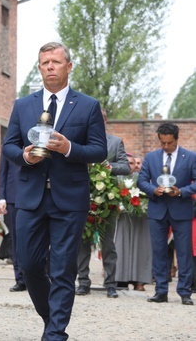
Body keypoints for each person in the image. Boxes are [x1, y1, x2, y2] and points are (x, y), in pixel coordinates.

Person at [2, 42, 107, 341]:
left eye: (55, 62)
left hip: (69, 200)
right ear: (39, 67)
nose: (49, 67)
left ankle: (55, 334)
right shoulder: (24, 104)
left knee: (62, 268)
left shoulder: (87, 105)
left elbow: (99, 150)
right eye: (44, 62)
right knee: (30, 264)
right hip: (30, 196)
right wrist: (24, 156)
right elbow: (8, 145)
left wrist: (69, 148)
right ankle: (51, 319)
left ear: (68, 66)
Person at [136, 122, 196, 305]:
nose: (166, 147)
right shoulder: (151, 157)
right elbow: (141, 180)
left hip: (182, 209)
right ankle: (161, 291)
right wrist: (154, 190)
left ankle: (184, 292)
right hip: (158, 209)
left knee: (184, 252)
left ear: (177, 139)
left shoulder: (191, 157)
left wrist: (182, 191)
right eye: (163, 143)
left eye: (169, 143)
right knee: (159, 251)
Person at [76, 110, 130, 298]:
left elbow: (126, 167)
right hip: (83, 196)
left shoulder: (115, 142)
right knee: (83, 242)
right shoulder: (80, 141)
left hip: (107, 200)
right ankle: (83, 282)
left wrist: (108, 167)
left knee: (108, 244)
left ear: (105, 121)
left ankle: (111, 284)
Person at [114, 153, 151, 291]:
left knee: (141, 248)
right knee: (120, 246)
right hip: (122, 217)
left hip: (140, 217)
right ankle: (120, 279)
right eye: (129, 163)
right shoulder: (117, 179)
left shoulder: (143, 179)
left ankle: (139, 280)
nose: (133, 166)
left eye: (135, 163)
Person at [0, 152, 25, 292]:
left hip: (35, 194)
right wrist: (2, 198)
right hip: (12, 197)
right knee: (15, 239)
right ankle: (20, 279)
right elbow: (3, 172)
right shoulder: (10, 143)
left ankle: (37, 276)